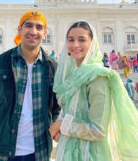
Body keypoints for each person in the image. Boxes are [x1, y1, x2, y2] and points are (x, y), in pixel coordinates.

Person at [49, 21, 138, 161]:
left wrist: (62, 125)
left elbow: (98, 130)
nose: (75, 45)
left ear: (92, 43)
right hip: (68, 150)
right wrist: (61, 128)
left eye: (82, 40)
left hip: (89, 154)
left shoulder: (97, 77)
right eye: (71, 40)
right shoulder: (73, 75)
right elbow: (72, 112)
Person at [0, 10, 60, 161]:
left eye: (39, 27)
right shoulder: (0, 63)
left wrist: (49, 129)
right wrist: (2, 128)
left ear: (45, 33)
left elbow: (56, 107)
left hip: (38, 151)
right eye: (28, 25)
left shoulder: (52, 68)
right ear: (19, 29)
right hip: (1, 150)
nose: (33, 31)